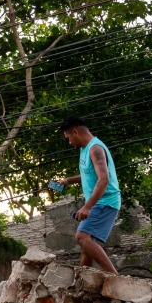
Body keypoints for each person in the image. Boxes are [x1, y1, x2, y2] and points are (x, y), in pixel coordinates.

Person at [55, 116, 121, 274]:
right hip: (100, 202)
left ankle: (116, 278)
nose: (69, 143)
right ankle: (84, 283)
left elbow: (104, 179)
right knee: (87, 246)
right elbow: (88, 175)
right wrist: (67, 181)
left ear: (75, 132)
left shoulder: (95, 148)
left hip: (106, 201)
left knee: (81, 237)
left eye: (68, 138)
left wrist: (87, 206)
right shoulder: (85, 149)